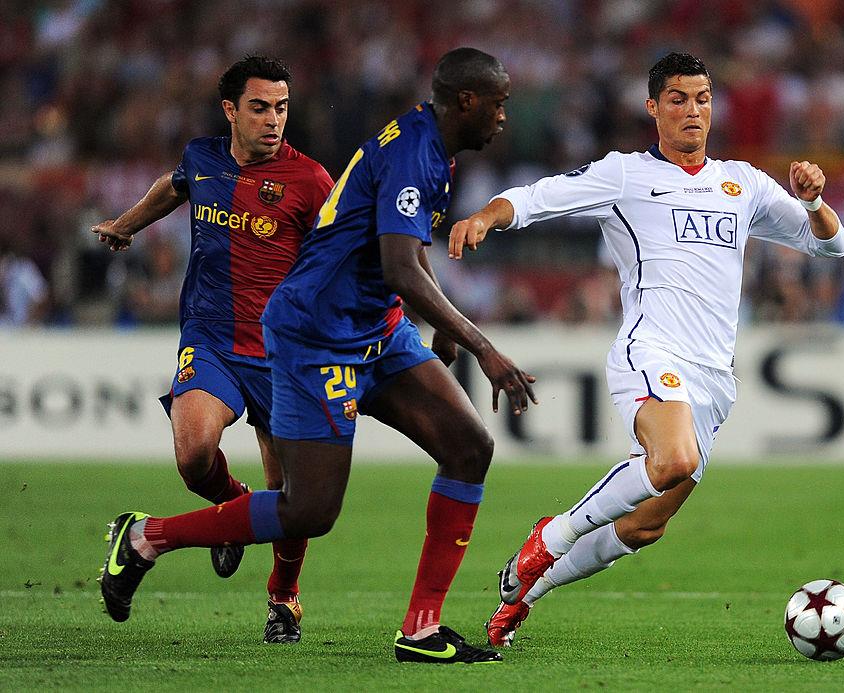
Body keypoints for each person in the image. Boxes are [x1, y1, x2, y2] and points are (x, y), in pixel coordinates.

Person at [100, 47, 536, 664]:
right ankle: (148, 537)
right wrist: (481, 347)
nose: (504, 116)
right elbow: (398, 266)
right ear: (467, 102)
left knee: (469, 448)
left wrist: (440, 327)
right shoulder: (413, 152)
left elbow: (404, 245)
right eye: (499, 104)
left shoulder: (425, 144)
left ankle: (420, 630)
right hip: (316, 335)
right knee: (308, 509)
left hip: (376, 328)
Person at [448, 52, 844, 647]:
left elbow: (832, 246)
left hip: (714, 376)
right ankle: (552, 536)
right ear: (653, 108)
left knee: (643, 527)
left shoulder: (742, 184)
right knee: (674, 461)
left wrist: (814, 203)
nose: (693, 111)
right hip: (652, 349)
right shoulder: (625, 175)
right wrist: (486, 216)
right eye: (678, 99)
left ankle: (524, 594)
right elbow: (537, 198)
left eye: (703, 99)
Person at [92, 55, 334, 643]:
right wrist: (126, 225)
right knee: (193, 455)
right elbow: (172, 187)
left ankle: (284, 598)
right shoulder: (202, 159)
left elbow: (340, 251)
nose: (273, 120)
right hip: (211, 337)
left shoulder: (310, 180)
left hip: (283, 352)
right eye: (259, 107)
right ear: (230, 109)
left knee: (290, 498)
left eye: (281, 108)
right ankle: (232, 506)